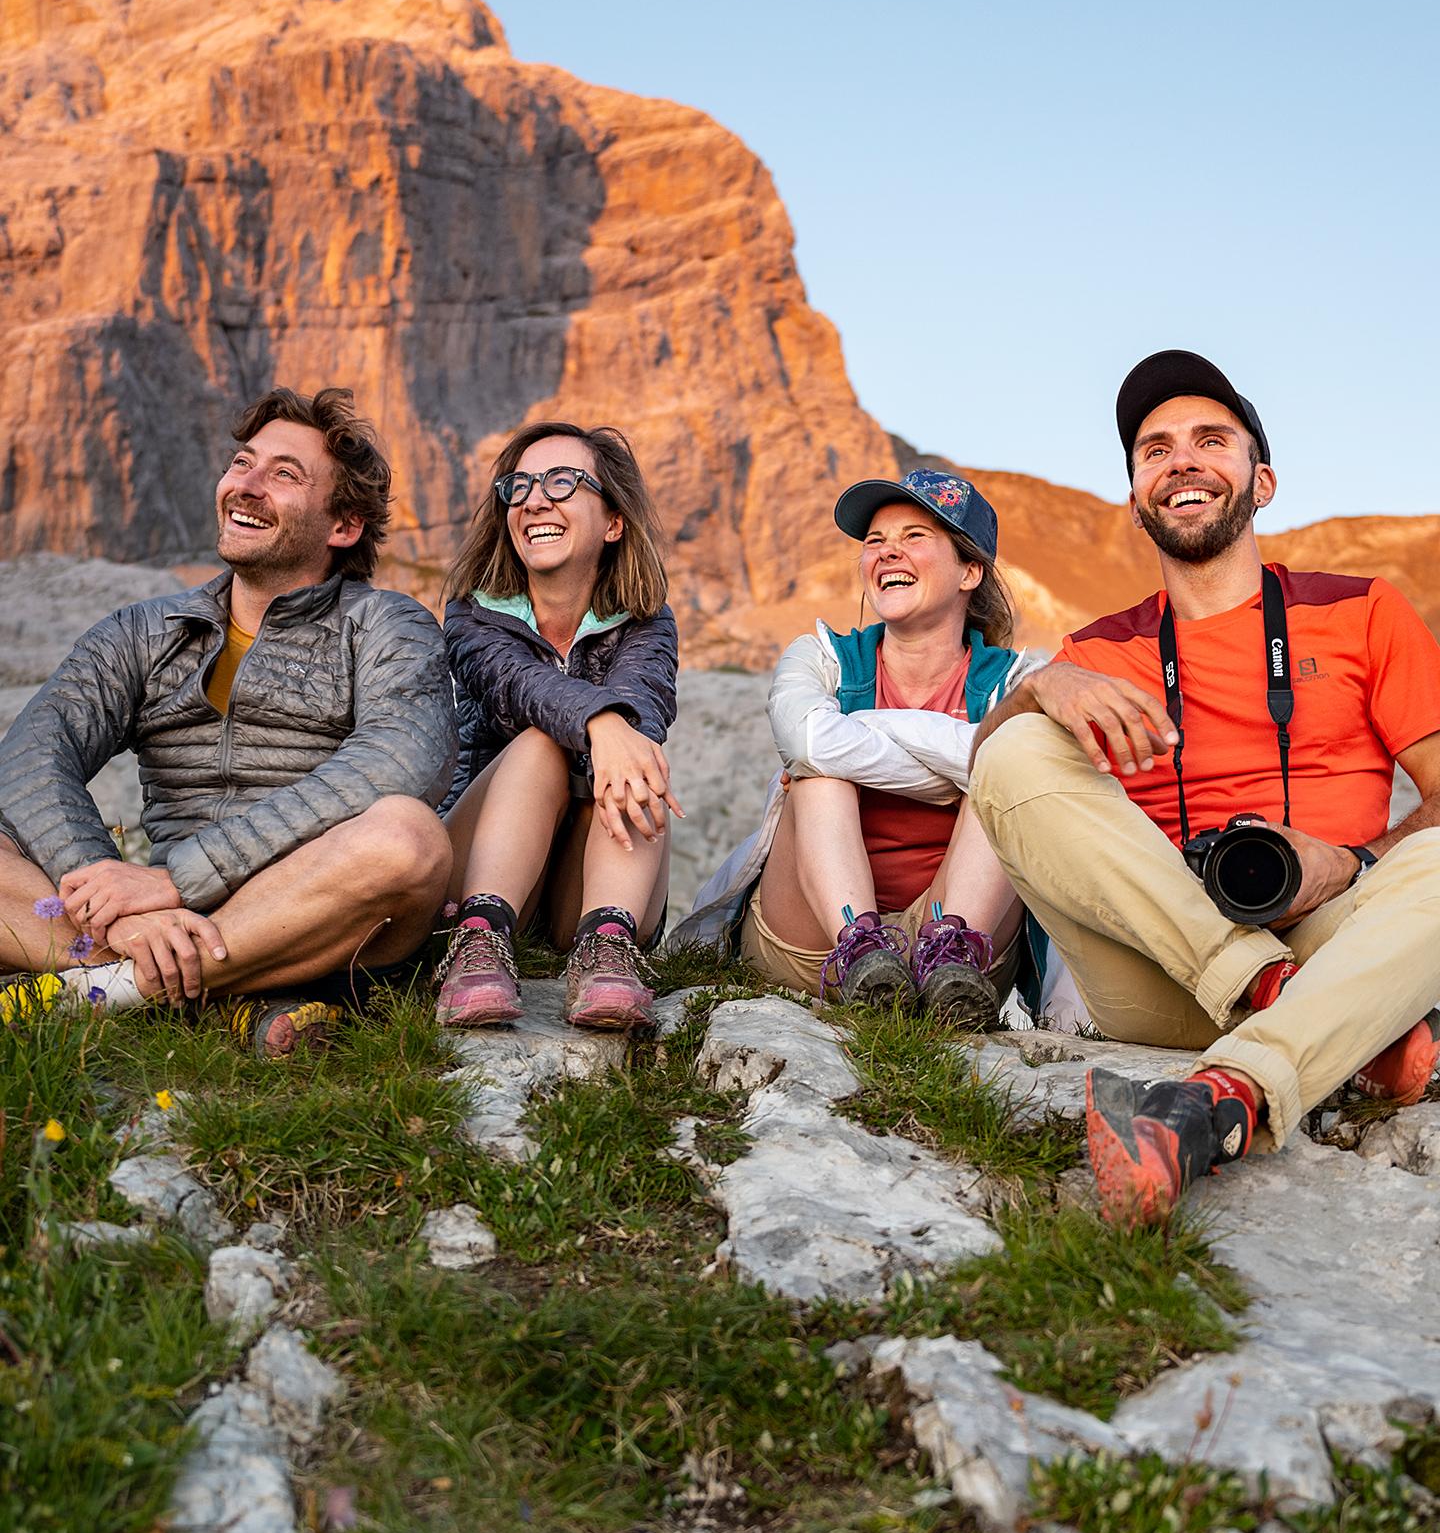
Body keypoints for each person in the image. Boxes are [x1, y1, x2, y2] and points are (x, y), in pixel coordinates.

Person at [969, 349, 1440, 1222]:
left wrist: (1352, 862)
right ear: (1136, 501)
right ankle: (1296, 1006)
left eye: (1210, 440)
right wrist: (1039, 688)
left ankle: (1217, 1102)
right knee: (1012, 751)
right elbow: (994, 783)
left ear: (1261, 482)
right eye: (1154, 449)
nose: (1181, 460)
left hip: (1333, 932)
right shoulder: (1098, 651)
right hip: (1164, 966)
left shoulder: (1363, 609)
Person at [0, 387, 455, 1054]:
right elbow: (35, 752)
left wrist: (175, 881)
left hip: (306, 907)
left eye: (284, 474)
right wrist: (113, 899)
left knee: (408, 840)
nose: (248, 487)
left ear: (344, 526)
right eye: (243, 463)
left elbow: (401, 762)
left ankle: (113, 988)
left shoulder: (387, 623)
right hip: (145, 917)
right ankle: (173, 978)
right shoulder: (141, 631)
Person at [684, 466, 1057, 1024]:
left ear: (970, 571)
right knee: (821, 775)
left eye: (914, 538)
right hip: (814, 936)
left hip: (956, 953)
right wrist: (961, 767)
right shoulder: (819, 657)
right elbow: (808, 741)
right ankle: (859, 944)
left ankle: (952, 950)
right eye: (875, 542)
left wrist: (875, 729)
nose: (887, 553)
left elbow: (1023, 771)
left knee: (1004, 780)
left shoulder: (1023, 679)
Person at [438, 421, 679, 1033]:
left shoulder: (647, 621)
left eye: (563, 482)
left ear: (614, 522)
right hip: (482, 861)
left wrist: (621, 730)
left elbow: (643, 703)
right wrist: (600, 720)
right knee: (543, 740)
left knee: (638, 752)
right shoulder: (472, 614)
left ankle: (606, 951)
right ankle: (477, 943)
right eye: (518, 487)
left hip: (586, 877)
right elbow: (518, 686)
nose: (535, 499)